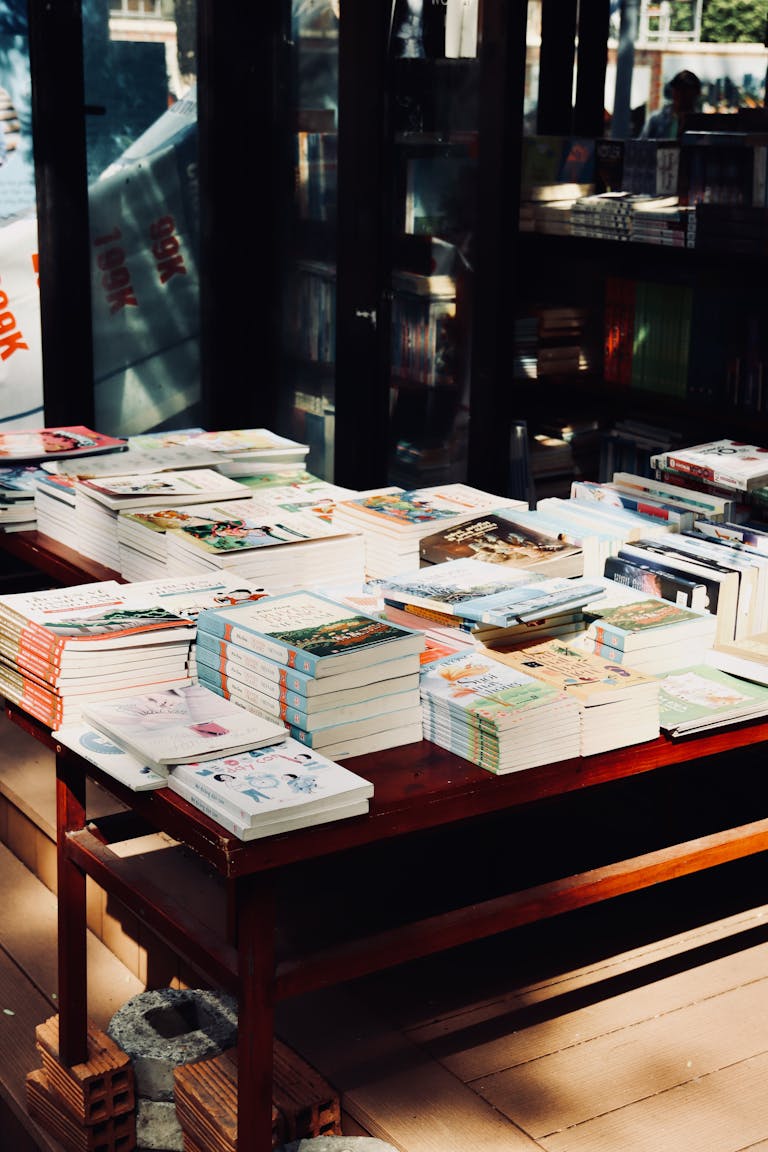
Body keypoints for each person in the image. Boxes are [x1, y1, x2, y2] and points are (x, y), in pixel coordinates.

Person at [640, 69, 701, 139]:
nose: (681, 95)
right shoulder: (655, 120)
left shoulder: (700, 122)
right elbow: (641, 146)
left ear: (696, 93)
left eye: (685, 90)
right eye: (678, 90)